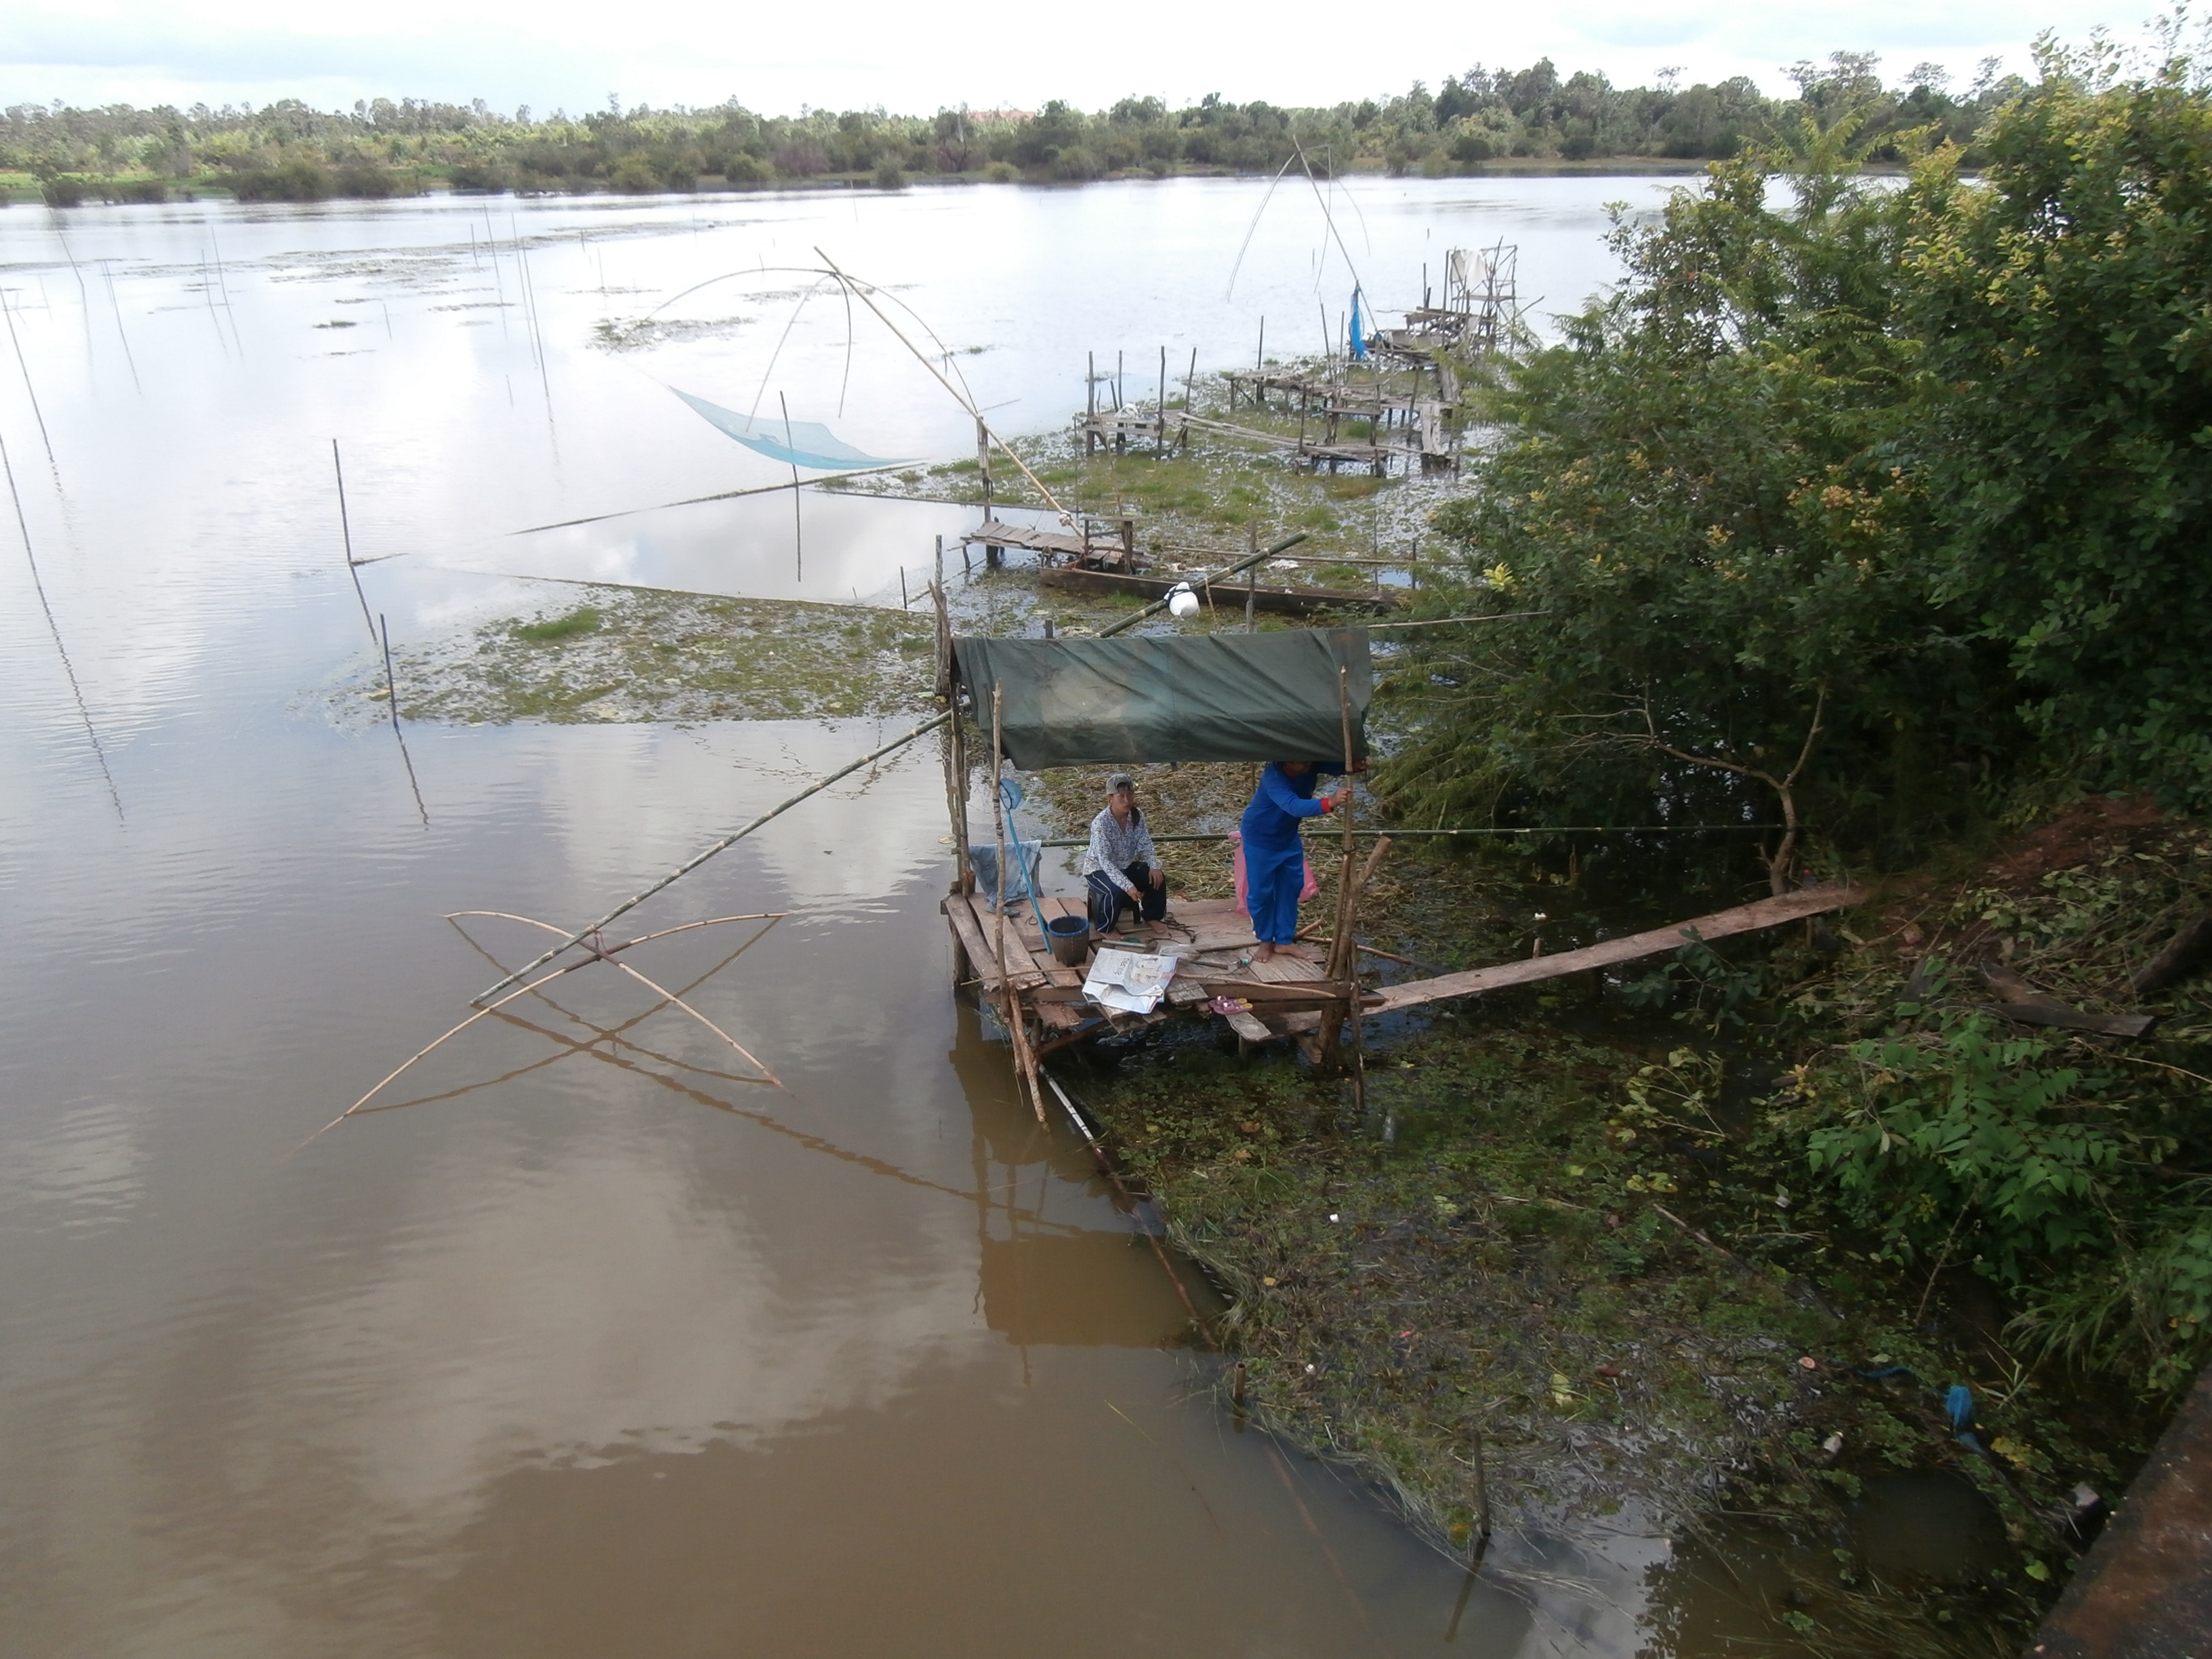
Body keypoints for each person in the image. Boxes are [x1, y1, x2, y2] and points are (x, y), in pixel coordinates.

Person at [1239, 759, 1362, 962]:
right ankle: (1265, 939)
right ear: (1285, 759)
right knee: (1261, 892)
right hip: (1260, 839)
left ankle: (1284, 941)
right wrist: (1328, 803)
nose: (1306, 766)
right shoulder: (1274, 776)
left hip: (1288, 837)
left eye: (1308, 761)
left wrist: (1353, 766)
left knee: (1291, 886)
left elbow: (1332, 766)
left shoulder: (1309, 764)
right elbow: (1293, 806)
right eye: (1299, 762)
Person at [1081, 772, 1168, 934]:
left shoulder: (1137, 815)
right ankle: (1105, 928)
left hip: (1125, 865)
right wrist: (1127, 885)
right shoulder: (1101, 823)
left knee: (1157, 877)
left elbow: (1145, 845)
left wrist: (1154, 865)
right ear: (1110, 798)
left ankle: (1152, 916)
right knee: (1116, 891)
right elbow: (1105, 862)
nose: (1127, 801)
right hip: (1098, 869)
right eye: (1121, 796)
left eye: (1130, 795)